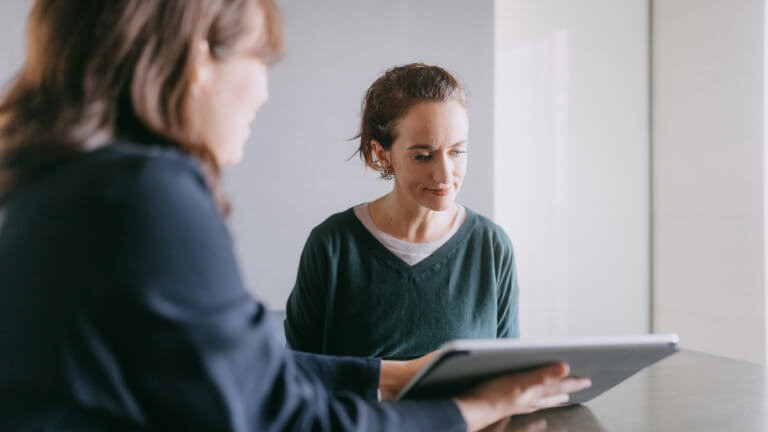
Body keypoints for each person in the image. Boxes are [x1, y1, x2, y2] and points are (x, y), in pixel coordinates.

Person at [0, 1, 590, 431]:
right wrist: (472, 409)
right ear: (199, 56)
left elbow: (253, 369)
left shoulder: (63, 183)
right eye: (260, 58)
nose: (261, 91)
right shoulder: (146, 194)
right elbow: (273, 414)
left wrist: (395, 375)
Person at [285, 64, 519, 360]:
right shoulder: (332, 246)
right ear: (382, 155)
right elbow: (296, 374)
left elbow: (507, 374)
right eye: (423, 156)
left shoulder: (492, 246)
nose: (445, 174)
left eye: (457, 152)